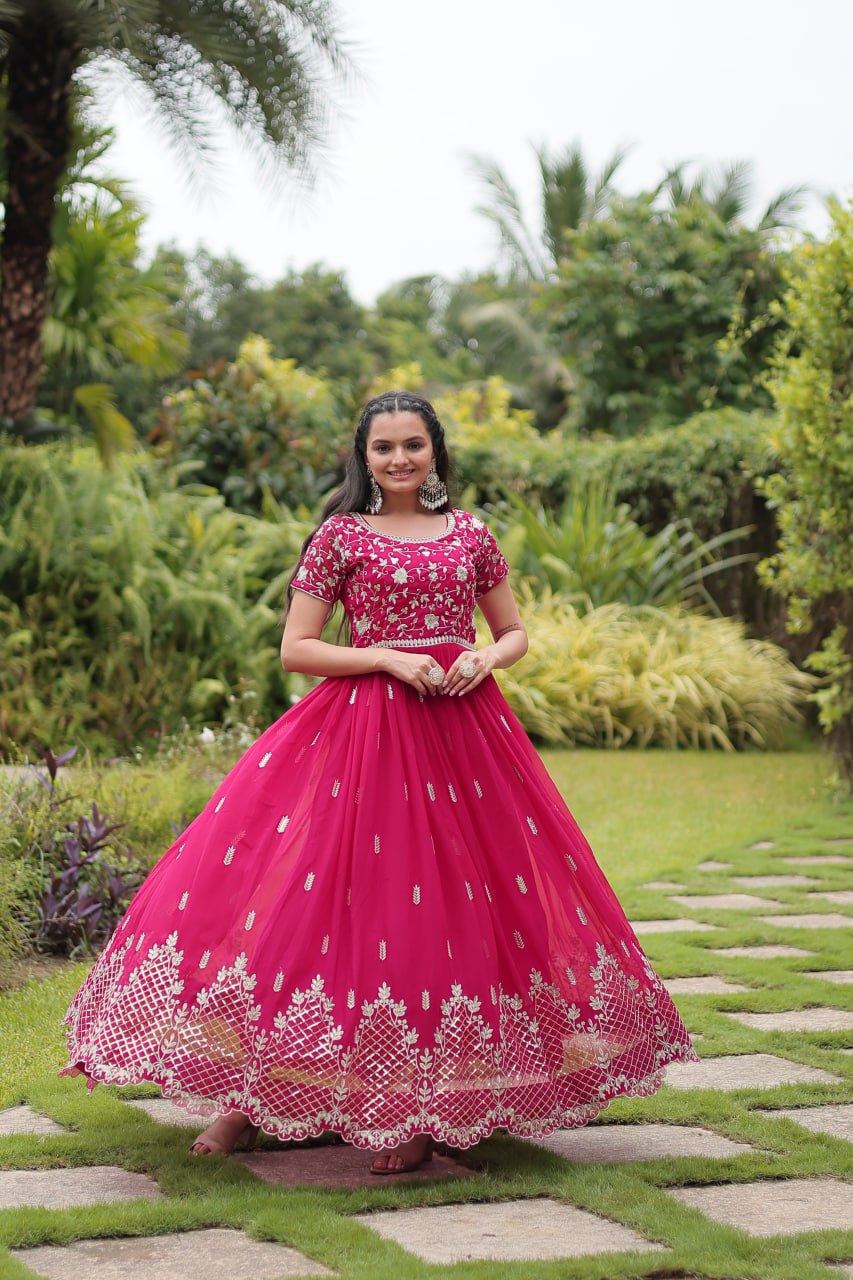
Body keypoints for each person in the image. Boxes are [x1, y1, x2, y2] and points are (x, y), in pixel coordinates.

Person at [62, 391, 697, 1174]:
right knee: (313, 898)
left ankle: (421, 1112)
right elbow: (297, 649)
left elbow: (513, 631)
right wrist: (387, 657)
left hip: (463, 741)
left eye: (413, 446)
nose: (399, 460)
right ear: (362, 458)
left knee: (447, 911)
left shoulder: (468, 533)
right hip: (361, 741)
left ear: (436, 452)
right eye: (383, 448)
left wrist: (481, 658)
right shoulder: (340, 536)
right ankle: (246, 1099)